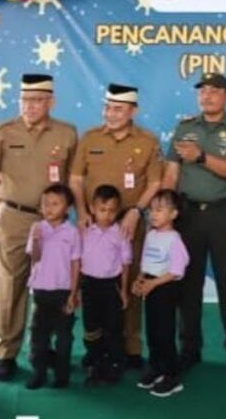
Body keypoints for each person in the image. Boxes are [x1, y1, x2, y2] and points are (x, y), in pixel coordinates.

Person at [161, 73, 226, 374]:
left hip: (225, 214)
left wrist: (201, 156)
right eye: (203, 91)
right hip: (187, 215)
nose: (207, 96)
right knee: (188, 286)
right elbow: (171, 175)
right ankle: (189, 349)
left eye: (215, 91)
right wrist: (165, 214)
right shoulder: (184, 127)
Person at [0, 73, 77, 381]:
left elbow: (73, 179)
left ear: (50, 102)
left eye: (37, 100)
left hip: (52, 223)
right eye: (25, 99)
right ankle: (6, 352)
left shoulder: (66, 134)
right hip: (14, 216)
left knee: (52, 285)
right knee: (11, 285)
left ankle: (43, 348)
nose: (30, 106)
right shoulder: (2, 131)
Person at [69, 83, 162, 369]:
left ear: (133, 111)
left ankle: (130, 345)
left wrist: (136, 211)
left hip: (127, 225)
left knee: (129, 283)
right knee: (91, 284)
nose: (111, 113)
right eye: (108, 108)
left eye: (118, 109)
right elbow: (75, 178)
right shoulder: (90, 138)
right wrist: (83, 211)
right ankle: (94, 345)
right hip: (93, 226)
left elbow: (156, 182)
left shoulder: (147, 141)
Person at [133, 189, 189, 398]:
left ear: (174, 214)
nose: (153, 214)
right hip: (151, 287)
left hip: (165, 289)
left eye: (159, 210)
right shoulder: (151, 234)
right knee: (153, 331)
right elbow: (146, 261)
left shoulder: (174, 240)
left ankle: (172, 376)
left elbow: (176, 271)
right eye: (151, 210)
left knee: (165, 334)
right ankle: (156, 368)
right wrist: (140, 279)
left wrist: (153, 283)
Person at [25, 184, 81, 390]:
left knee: (64, 338)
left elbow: (76, 263)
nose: (49, 208)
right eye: (45, 204)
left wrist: (73, 293)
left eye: (55, 204)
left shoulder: (72, 232)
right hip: (41, 292)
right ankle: (38, 372)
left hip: (63, 292)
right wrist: (38, 241)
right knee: (39, 337)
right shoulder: (37, 228)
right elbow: (35, 258)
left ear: (67, 208)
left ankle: (62, 374)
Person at [80, 184, 132, 385]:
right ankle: (95, 360)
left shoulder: (121, 233)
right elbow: (77, 260)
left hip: (112, 286)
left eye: (112, 210)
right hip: (89, 285)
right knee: (91, 325)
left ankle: (115, 362)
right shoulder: (85, 232)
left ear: (118, 211)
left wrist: (124, 291)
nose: (107, 215)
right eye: (102, 210)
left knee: (113, 327)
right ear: (92, 209)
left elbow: (126, 263)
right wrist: (75, 290)